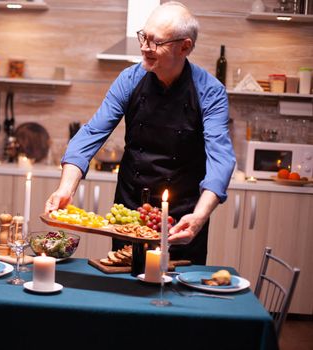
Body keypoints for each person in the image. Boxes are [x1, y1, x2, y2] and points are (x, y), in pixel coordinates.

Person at [45, 2, 236, 265]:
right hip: (130, 210)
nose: (145, 47)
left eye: (156, 42)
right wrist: (66, 187)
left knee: (178, 296)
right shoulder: (129, 79)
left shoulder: (210, 92)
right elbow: (91, 133)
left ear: (185, 46)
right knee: (126, 286)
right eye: (143, 37)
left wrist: (200, 216)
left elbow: (220, 159)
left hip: (181, 218)